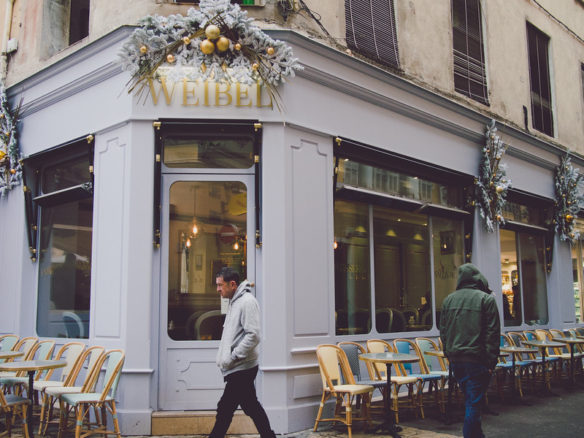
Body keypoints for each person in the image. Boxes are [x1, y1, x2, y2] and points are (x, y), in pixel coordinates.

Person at [209, 267, 276, 438]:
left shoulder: (247, 302)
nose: (217, 289)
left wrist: (234, 356)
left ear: (232, 284)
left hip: (242, 366)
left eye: (220, 285)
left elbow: (253, 335)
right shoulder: (234, 301)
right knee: (250, 405)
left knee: (225, 408)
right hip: (239, 365)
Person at [439, 263, 500, 438]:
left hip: (456, 360)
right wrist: (490, 362)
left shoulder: (448, 300)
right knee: (473, 404)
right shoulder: (486, 299)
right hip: (477, 360)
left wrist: (449, 354)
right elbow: (492, 333)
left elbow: (444, 331)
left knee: (471, 400)